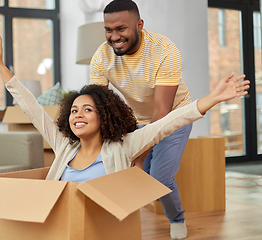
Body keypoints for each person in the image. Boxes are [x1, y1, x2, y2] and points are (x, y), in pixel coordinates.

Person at [0, 32, 248, 233]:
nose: (77, 114)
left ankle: (176, 218)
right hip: (63, 227)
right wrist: (0, 66)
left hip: (106, 228)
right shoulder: (63, 146)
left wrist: (212, 99)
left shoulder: (124, 146)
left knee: (161, 177)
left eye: (87, 110)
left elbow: (169, 122)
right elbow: (31, 107)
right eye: (73, 111)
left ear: (103, 116)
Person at [88, 0, 194, 238]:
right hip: (137, 119)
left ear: (139, 25)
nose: (114, 36)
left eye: (121, 29)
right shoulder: (101, 57)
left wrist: (138, 154)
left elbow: (162, 110)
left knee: (159, 176)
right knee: (136, 175)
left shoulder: (164, 50)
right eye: (108, 30)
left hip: (175, 115)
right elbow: (98, 105)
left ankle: (176, 218)